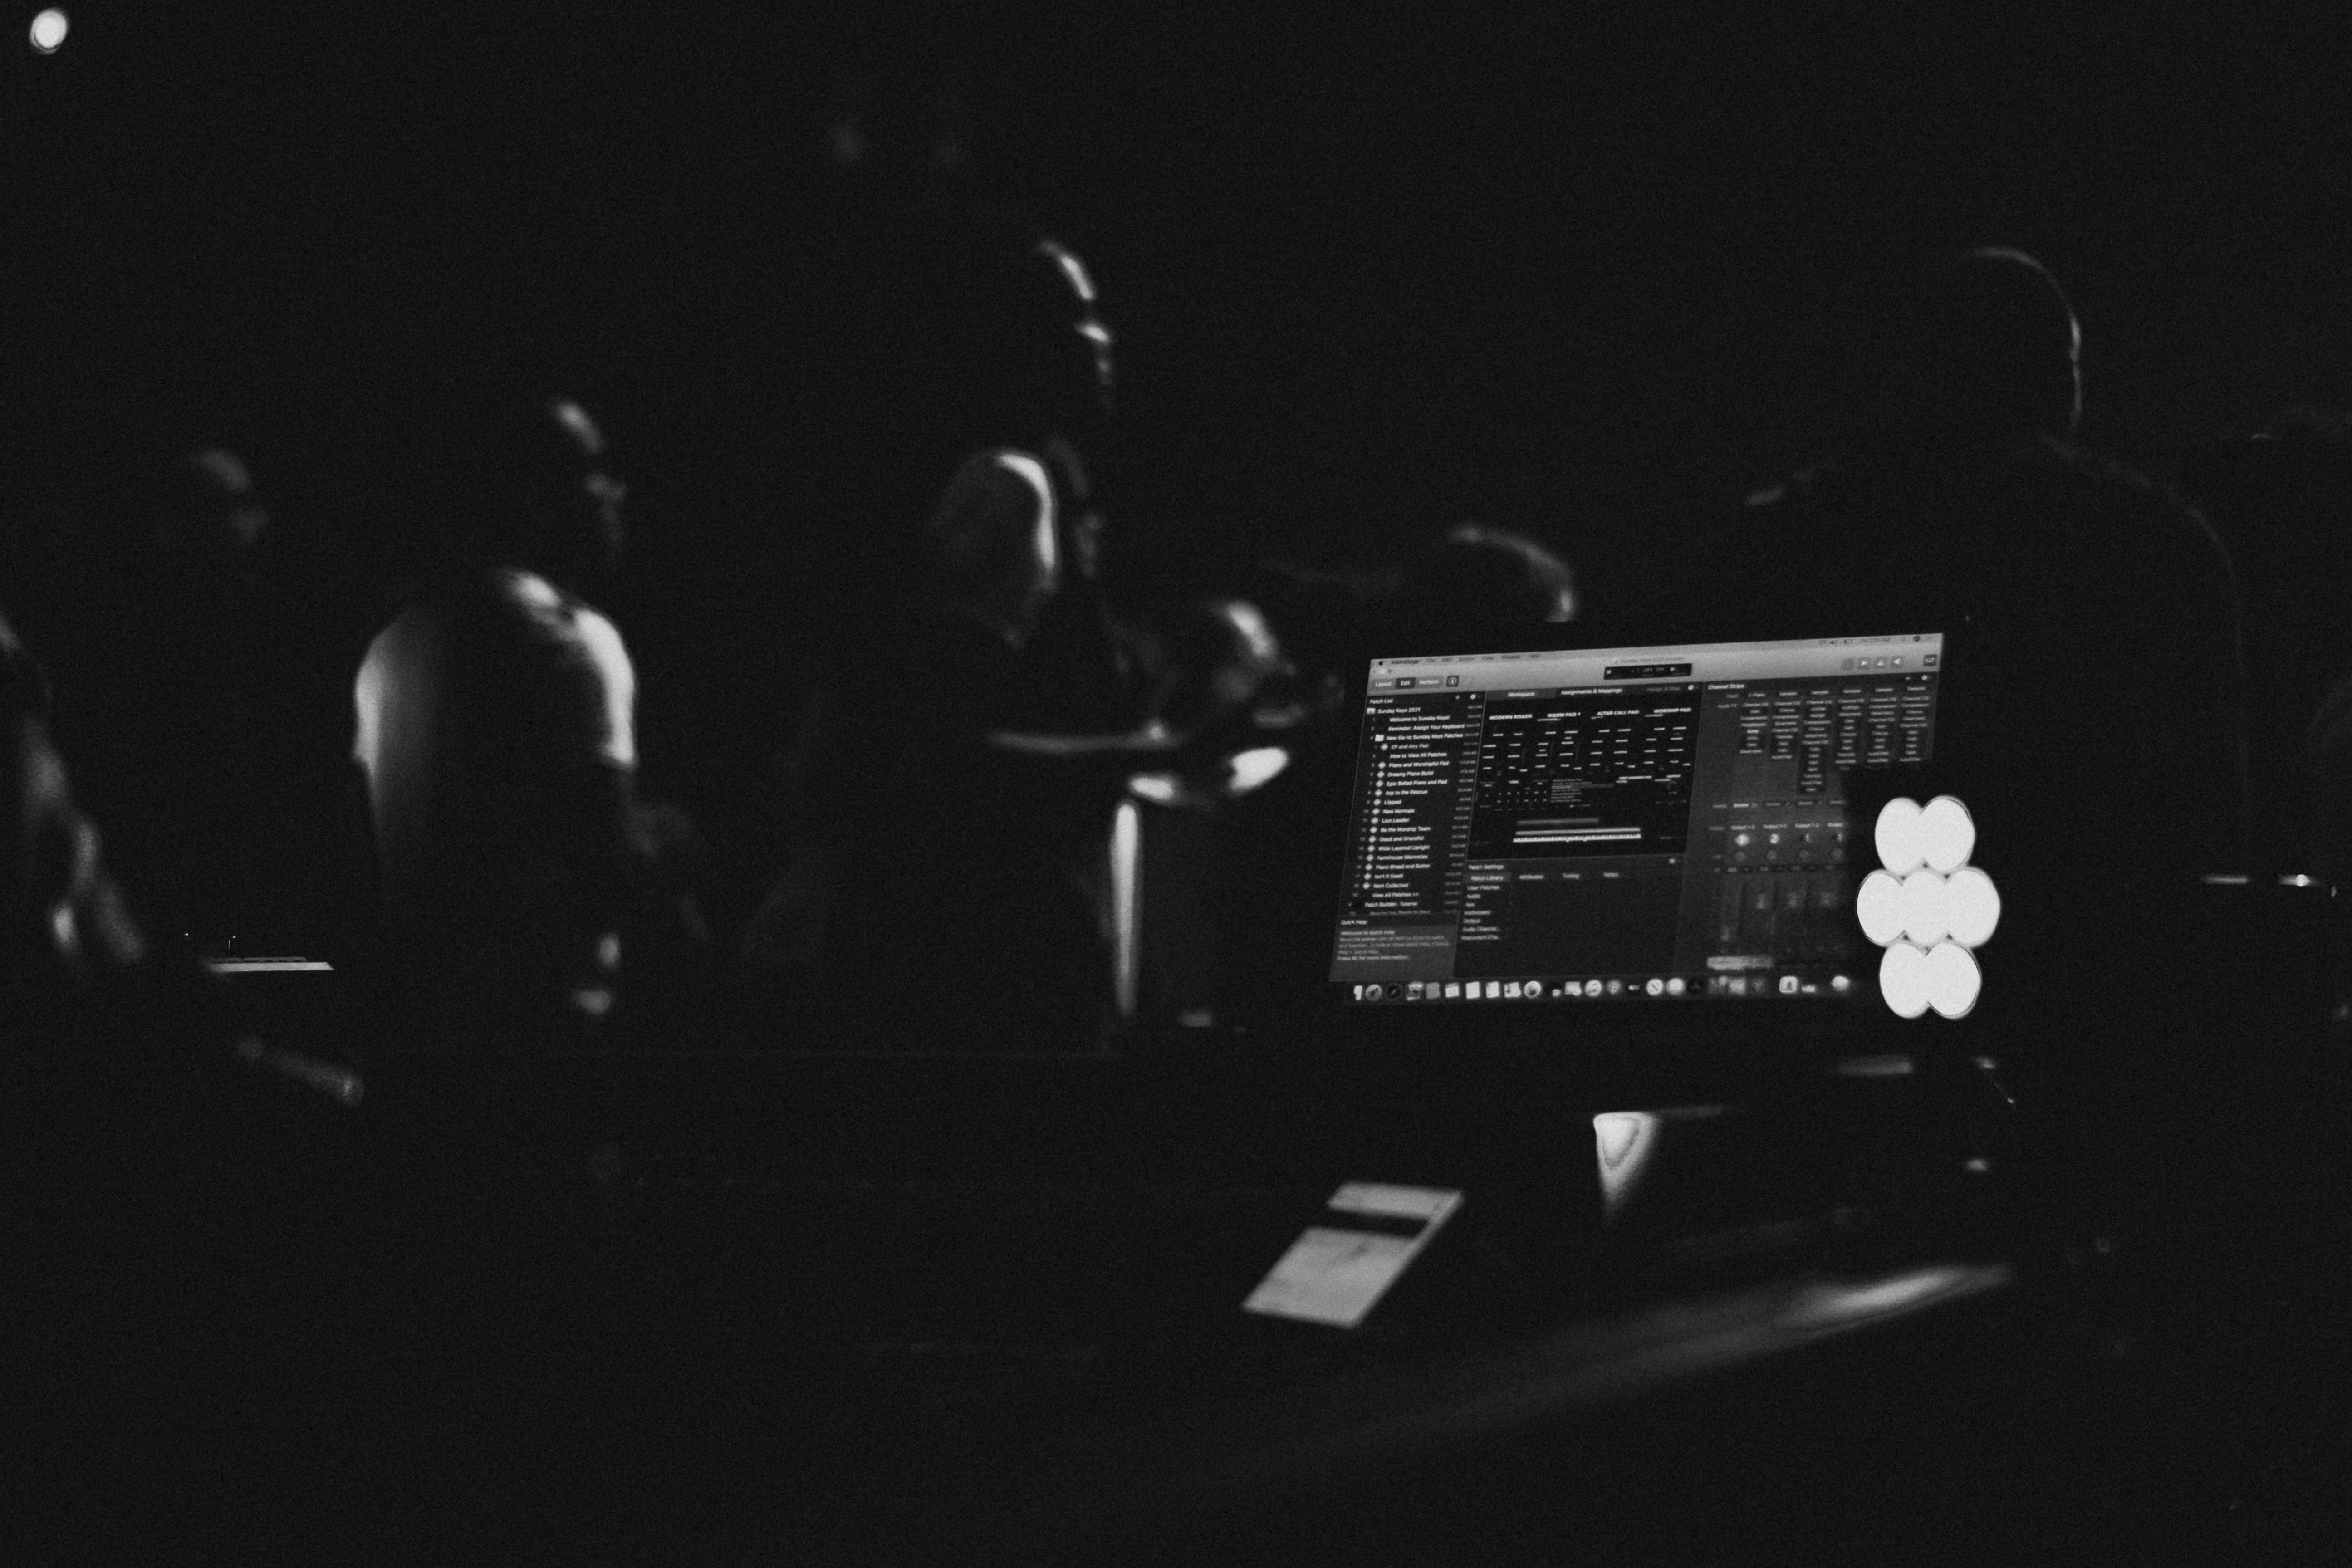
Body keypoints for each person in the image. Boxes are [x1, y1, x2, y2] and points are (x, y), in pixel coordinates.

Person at [1730, 246, 2252, 1019]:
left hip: (1821, 978)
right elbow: (2210, 819)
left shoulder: (1790, 536)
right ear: (2058, 379)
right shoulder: (2154, 540)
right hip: (2101, 985)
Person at [350, 381, 698, 1047]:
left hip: (420, 1028)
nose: (616, 493)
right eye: (596, 471)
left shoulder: (396, 641)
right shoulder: (566, 642)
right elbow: (605, 863)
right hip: (548, 1036)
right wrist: (666, 841)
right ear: (538, 495)